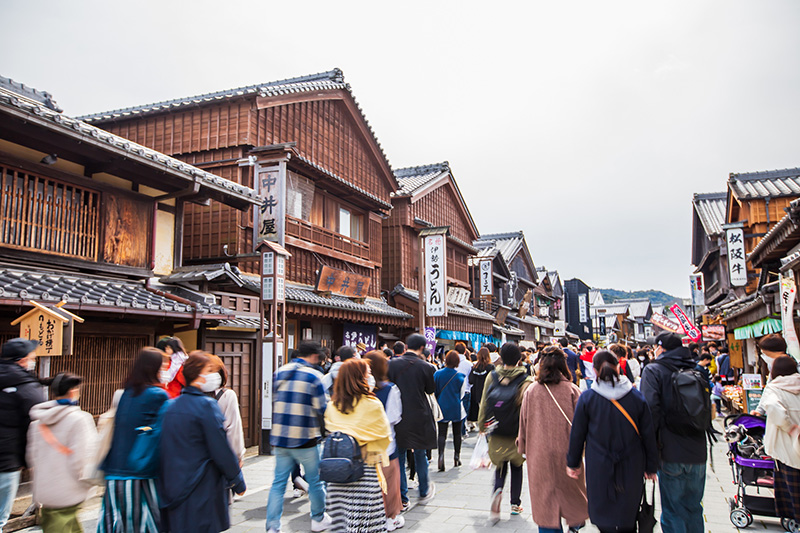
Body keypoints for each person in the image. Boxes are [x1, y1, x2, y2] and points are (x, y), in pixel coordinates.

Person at [567, 350, 658, 533]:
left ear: (594, 370)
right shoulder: (636, 397)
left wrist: (573, 463)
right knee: (628, 514)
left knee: (604, 514)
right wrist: (651, 466)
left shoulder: (588, 398)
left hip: (599, 463)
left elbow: (577, 434)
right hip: (632, 463)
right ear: (618, 367)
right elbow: (649, 435)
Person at [159, 352, 246, 533]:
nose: (213, 375)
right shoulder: (206, 406)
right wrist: (237, 481)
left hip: (173, 487)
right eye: (209, 370)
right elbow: (220, 449)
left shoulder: (170, 406)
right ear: (198, 375)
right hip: (201, 487)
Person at [640, 332, 707, 533]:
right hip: (698, 450)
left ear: (662, 348)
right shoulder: (697, 370)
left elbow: (650, 412)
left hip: (669, 449)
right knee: (694, 508)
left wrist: (648, 453)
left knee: (673, 509)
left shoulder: (654, 371)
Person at [98, 347, 170, 533]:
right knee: (145, 525)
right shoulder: (158, 396)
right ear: (152, 368)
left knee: (117, 524)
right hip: (141, 474)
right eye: (162, 366)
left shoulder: (126, 394)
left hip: (114, 473)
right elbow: (162, 433)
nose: (165, 369)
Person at [518, 346, 588, 533]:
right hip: (568, 455)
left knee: (546, 505)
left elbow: (523, 423)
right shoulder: (573, 391)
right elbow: (583, 426)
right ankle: (574, 526)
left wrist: (523, 446)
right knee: (573, 497)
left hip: (539, 455)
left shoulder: (532, 391)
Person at [266, 341, 331, 533]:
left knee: (278, 484)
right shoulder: (314, 376)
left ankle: (272, 527)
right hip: (306, 437)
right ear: (313, 356)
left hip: (280, 436)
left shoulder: (280, 372)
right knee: (315, 480)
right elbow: (322, 407)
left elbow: (274, 399)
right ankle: (318, 519)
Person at [324, 358, 392, 532]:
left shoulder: (332, 405)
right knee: (366, 524)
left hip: (337, 474)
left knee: (340, 524)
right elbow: (384, 437)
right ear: (359, 378)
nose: (371, 377)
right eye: (368, 374)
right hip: (365, 472)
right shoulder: (372, 405)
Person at [26, 372, 96, 533]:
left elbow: (32, 457)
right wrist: (89, 483)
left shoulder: (37, 422)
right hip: (69, 490)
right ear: (73, 392)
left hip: (45, 491)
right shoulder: (80, 419)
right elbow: (83, 458)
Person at [478, 342, 532, 522]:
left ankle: (498, 491)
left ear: (501, 357)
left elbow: (485, 402)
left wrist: (481, 426)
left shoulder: (492, 376)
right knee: (517, 466)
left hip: (497, 429)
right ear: (519, 359)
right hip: (518, 433)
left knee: (500, 466)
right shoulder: (526, 379)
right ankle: (515, 504)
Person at [388, 333, 437, 508]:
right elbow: (430, 390)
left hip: (397, 414)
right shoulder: (427, 367)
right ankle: (423, 491)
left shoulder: (391, 364)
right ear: (422, 348)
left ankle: (402, 497)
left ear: (407, 345)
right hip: (419, 414)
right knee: (420, 453)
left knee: (399, 456)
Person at [0, 338, 44, 533]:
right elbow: (37, 422)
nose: (33, 360)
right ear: (21, 360)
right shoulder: (26, 386)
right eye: (32, 357)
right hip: (7, 460)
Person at [364, 352, 405, 531]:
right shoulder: (391, 389)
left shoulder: (358, 389)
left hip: (364, 446)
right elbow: (394, 417)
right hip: (386, 445)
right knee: (389, 483)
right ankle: (390, 518)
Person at [759, 355, 800, 526]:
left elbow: (775, 409)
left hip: (787, 447)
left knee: (793, 488)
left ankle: (795, 520)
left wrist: (790, 427)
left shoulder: (774, 388)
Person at [206, 355, 246, 466]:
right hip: (219, 456)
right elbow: (233, 429)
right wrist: (238, 456)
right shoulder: (227, 395)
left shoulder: (188, 395)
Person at [434, 351, 466, 472]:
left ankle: (441, 456)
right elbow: (462, 394)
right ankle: (457, 456)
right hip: (456, 407)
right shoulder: (460, 376)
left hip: (441, 406)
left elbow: (434, 390)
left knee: (442, 433)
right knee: (457, 433)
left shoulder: (437, 374)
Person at [468, 348, 494, 431]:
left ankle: (481, 427)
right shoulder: (491, 367)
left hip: (477, 393)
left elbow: (470, 380)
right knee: (488, 412)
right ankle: (486, 428)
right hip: (488, 393)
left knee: (481, 411)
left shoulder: (475, 367)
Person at [454, 342, 472, 437]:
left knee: (456, 412)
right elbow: (471, 379)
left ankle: (458, 431)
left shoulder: (452, 362)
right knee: (464, 411)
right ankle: (462, 431)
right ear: (465, 352)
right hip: (466, 389)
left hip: (454, 390)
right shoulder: (469, 364)